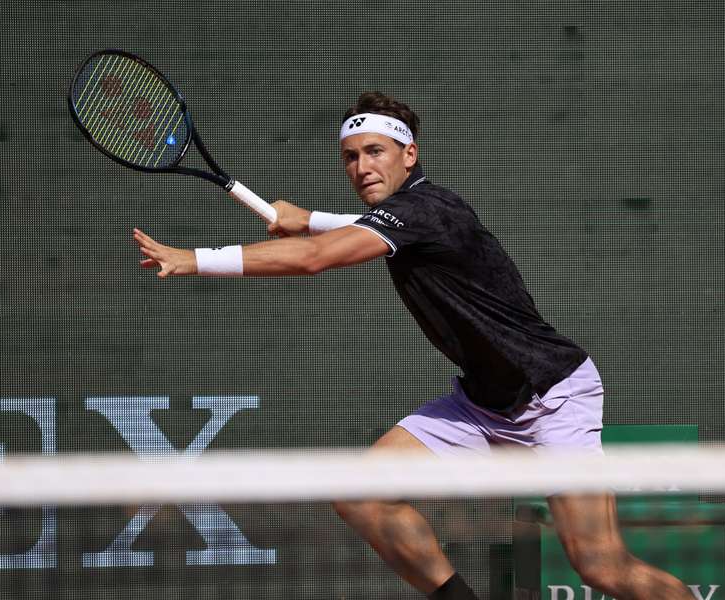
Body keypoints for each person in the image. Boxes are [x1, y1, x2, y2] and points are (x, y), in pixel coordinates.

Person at [132, 91, 694, 600]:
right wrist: (308, 220)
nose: (362, 166)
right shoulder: (412, 214)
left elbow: (315, 259)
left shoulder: (428, 208)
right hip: (482, 404)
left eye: (375, 151)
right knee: (360, 493)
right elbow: (366, 226)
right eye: (351, 156)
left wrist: (194, 259)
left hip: (551, 394)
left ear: (409, 154)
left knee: (602, 567)